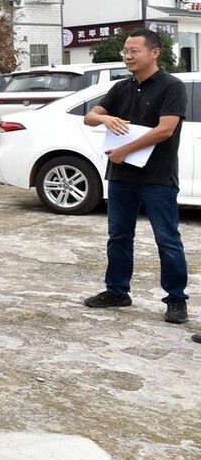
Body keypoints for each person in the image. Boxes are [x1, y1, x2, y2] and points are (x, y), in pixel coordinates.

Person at [82, 29, 189, 324]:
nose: (128, 56)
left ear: (154, 53)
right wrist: (104, 117)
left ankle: (176, 298)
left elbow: (165, 129)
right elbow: (90, 117)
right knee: (118, 236)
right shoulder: (121, 87)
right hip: (121, 177)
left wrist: (125, 150)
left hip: (157, 178)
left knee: (167, 239)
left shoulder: (171, 86)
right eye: (125, 52)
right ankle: (117, 291)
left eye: (134, 51)